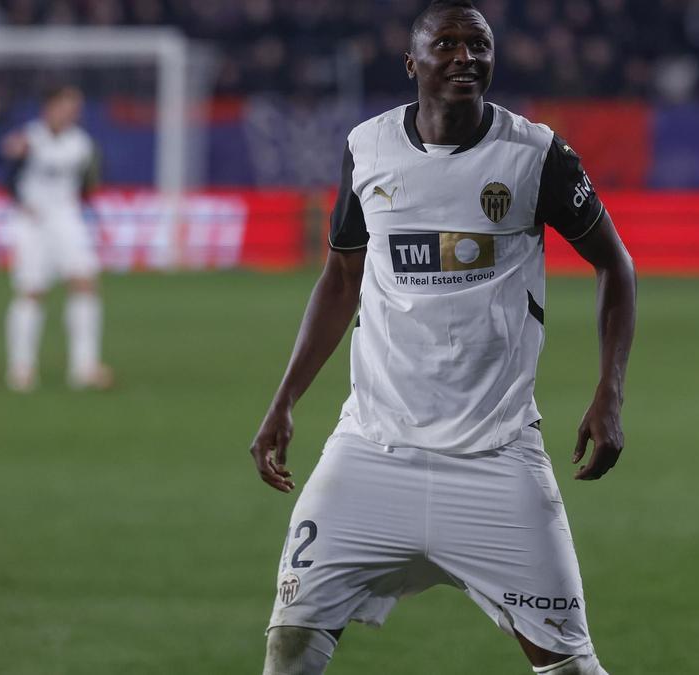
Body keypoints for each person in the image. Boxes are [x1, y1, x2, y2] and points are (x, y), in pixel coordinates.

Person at [247, 2, 636, 673]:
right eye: (447, 44)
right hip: (371, 450)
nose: (465, 57)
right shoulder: (367, 148)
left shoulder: (535, 154)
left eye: (478, 44)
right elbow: (341, 277)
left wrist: (610, 392)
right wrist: (284, 400)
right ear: (412, 62)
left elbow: (615, 264)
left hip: (497, 458)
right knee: (288, 646)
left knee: (571, 666)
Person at [3, 84, 112, 392]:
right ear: (49, 107)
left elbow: (88, 184)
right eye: (66, 105)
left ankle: (84, 367)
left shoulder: (81, 143)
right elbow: (8, 179)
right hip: (33, 222)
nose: (71, 113)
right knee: (31, 290)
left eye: (75, 107)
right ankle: (21, 368)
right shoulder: (28, 139)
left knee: (85, 282)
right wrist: (22, 201)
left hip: (67, 218)